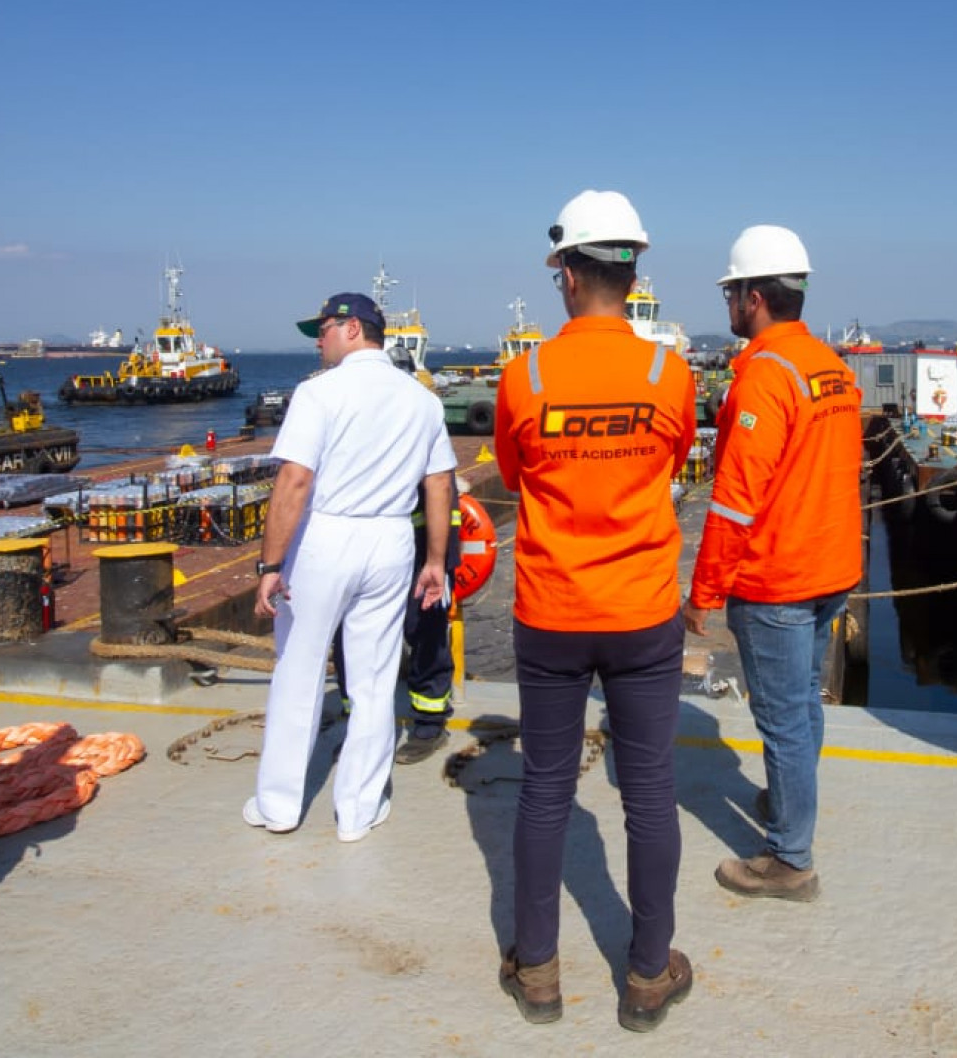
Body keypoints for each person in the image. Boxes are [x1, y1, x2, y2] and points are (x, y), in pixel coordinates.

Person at [493, 190, 698, 1032]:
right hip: (643, 612)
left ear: (569, 275)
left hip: (550, 611)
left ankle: (537, 968)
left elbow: (512, 476)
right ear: (633, 270)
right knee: (649, 791)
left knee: (545, 788)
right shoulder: (669, 373)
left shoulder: (524, 376)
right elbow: (673, 461)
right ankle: (648, 973)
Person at [685, 224, 863, 902]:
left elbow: (734, 502)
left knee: (784, 719)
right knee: (804, 711)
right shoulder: (830, 367)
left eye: (732, 292)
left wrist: (704, 591)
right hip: (830, 568)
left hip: (779, 578)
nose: (728, 304)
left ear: (753, 297)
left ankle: (790, 859)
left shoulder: (764, 376)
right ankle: (788, 809)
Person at [247, 292, 455, 840]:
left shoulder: (318, 393)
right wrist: (435, 561)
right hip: (391, 541)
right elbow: (439, 484)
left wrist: (270, 563)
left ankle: (279, 806)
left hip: (325, 536)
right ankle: (358, 811)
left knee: (299, 669)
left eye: (322, 329)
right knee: (374, 676)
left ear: (353, 328)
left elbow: (294, 481)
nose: (317, 340)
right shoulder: (422, 400)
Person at [335, 475, 465, 764]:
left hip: (421, 544)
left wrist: (439, 557)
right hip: (363, 543)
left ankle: (430, 723)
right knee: (351, 634)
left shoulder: (421, 430)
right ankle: (358, 726)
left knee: (424, 626)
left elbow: (441, 487)